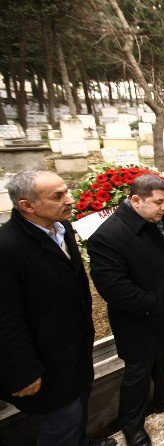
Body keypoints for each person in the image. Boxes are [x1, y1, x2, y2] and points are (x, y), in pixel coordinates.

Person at [0, 170, 115, 446]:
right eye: (58, 195)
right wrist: (23, 371)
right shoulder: (7, 247)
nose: (69, 199)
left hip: (74, 347)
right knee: (63, 419)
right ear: (27, 205)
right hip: (46, 358)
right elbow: (5, 318)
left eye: (67, 191)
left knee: (79, 406)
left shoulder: (60, 229)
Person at [88, 174, 164, 446]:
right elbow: (113, 287)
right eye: (158, 202)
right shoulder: (107, 236)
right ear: (136, 200)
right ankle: (132, 424)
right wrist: (152, 305)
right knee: (137, 374)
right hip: (140, 320)